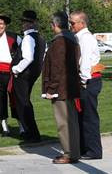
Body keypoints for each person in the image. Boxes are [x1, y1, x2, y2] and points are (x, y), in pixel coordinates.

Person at [43, 11, 81, 164]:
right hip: (70, 85)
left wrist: (51, 89)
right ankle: (73, 152)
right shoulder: (72, 39)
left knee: (64, 122)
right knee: (71, 121)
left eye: (52, 25)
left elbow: (57, 68)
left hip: (61, 88)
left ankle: (69, 153)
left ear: (55, 25)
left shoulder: (60, 41)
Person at [70, 10, 102, 160]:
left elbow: (85, 63)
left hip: (88, 81)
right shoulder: (80, 37)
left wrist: (82, 81)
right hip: (86, 81)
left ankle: (93, 151)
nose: (71, 26)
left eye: (72, 23)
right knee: (82, 116)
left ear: (82, 23)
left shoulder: (86, 39)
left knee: (89, 117)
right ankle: (84, 148)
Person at [11, 10, 44, 142]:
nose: (23, 25)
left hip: (24, 75)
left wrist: (16, 69)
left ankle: (31, 133)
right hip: (32, 74)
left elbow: (28, 58)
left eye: (25, 22)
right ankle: (31, 132)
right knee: (25, 102)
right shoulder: (40, 38)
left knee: (23, 103)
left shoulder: (28, 38)